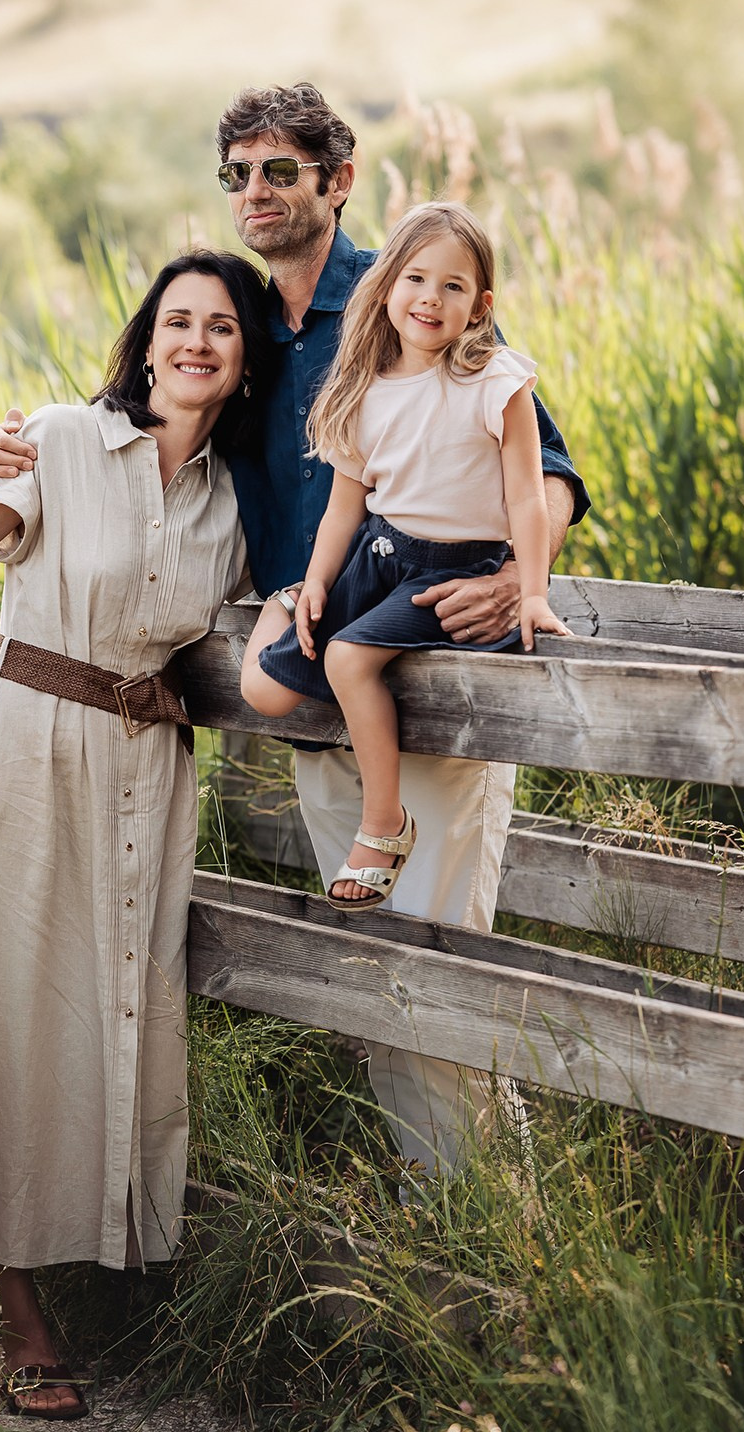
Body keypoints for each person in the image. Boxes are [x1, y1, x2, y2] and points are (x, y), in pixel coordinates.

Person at [0, 81, 589, 1176]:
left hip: (430, 680)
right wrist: (16, 457)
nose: (253, 192)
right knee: (374, 978)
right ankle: (448, 1221)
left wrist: (513, 570)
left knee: (434, 965)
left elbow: (538, 466)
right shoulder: (247, 325)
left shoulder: (407, 294)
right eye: (237, 174)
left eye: (279, 170)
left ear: (336, 184)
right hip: (311, 689)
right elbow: (146, 420)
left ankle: (495, 1235)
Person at [0, 249, 270, 1420]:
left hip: (144, 769)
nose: (197, 341)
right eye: (177, 320)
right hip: (28, 753)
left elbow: (240, 631)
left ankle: (103, 1257)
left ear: (244, 354)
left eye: (221, 325)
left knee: (119, 1003)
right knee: (8, 1004)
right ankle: (12, 1298)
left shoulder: (232, 498)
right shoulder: (60, 437)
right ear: (145, 336)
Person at [240, 200, 570, 908]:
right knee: (265, 690)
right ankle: (286, 604)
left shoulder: (496, 382)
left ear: (479, 306)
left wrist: (530, 588)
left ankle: (383, 824)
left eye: (452, 286)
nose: (430, 298)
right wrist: (316, 584)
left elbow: (525, 494)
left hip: (450, 569)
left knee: (348, 659)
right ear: (386, 286)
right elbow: (343, 506)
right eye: (416, 279)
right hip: (373, 560)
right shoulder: (361, 389)